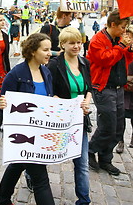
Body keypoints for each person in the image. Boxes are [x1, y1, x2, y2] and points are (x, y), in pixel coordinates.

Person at [0, 33, 55, 205]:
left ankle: (3, 199)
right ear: (32, 51)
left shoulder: (46, 72)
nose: (49, 53)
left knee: (17, 164)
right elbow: (3, 102)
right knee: (40, 178)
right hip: (23, 133)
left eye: (50, 49)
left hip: (40, 131)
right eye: (45, 50)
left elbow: (48, 99)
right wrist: (3, 104)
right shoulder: (16, 74)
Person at [87, 10, 133, 176]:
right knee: (108, 125)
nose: (125, 30)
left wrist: (130, 50)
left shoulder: (119, 40)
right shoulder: (97, 40)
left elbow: (126, 60)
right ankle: (90, 150)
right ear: (113, 24)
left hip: (118, 88)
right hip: (103, 87)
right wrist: (122, 47)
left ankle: (105, 158)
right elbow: (105, 59)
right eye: (122, 27)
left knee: (119, 127)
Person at [47, 27, 92, 205]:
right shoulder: (54, 64)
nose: (76, 46)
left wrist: (87, 101)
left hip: (79, 119)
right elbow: (49, 92)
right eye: (72, 43)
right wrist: (64, 104)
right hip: (59, 118)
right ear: (63, 44)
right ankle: (30, 174)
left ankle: (84, 199)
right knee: (47, 153)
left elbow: (89, 87)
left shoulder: (84, 63)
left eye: (78, 43)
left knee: (82, 164)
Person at [116, 25, 133, 153]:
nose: (127, 38)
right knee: (120, 115)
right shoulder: (121, 47)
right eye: (126, 35)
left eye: (130, 36)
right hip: (123, 85)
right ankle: (120, 140)